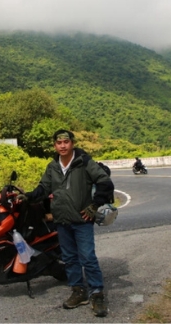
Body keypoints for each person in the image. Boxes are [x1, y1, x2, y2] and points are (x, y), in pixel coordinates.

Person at [17, 129, 113, 317]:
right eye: (59, 143)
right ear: (55, 145)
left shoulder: (84, 162)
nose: (62, 145)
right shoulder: (53, 166)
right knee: (69, 259)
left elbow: (104, 181)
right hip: (61, 221)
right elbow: (44, 188)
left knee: (88, 258)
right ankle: (78, 291)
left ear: (72, 143)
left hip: (81, 220)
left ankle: (97, 294)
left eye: (66, 142)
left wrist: (94, 205)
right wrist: (27, 197)